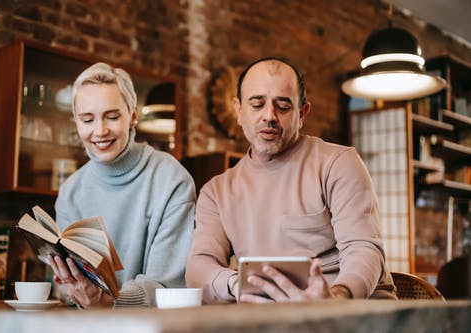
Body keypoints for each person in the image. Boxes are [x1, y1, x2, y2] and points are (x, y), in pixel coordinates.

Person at [186, 56, 397, 303]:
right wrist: (235, 283)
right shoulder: (216, 192)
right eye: (257, 104)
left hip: (350, 313)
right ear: (239, 110)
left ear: (302, 112)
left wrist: (337, 297)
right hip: (273, 319)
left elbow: (363, 249)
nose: (269, 116)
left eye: (283, 106)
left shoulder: (338, 164)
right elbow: (199, 266)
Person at [48, 62, 196, 308]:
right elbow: (77, 288)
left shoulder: (171, 179)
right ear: (76, 122)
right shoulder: (70, 191)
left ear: (133, 116)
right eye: (87, 120)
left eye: (113, 117)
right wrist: (70, 283)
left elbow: (167, 284)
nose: (100, 130)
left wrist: (108, 302)